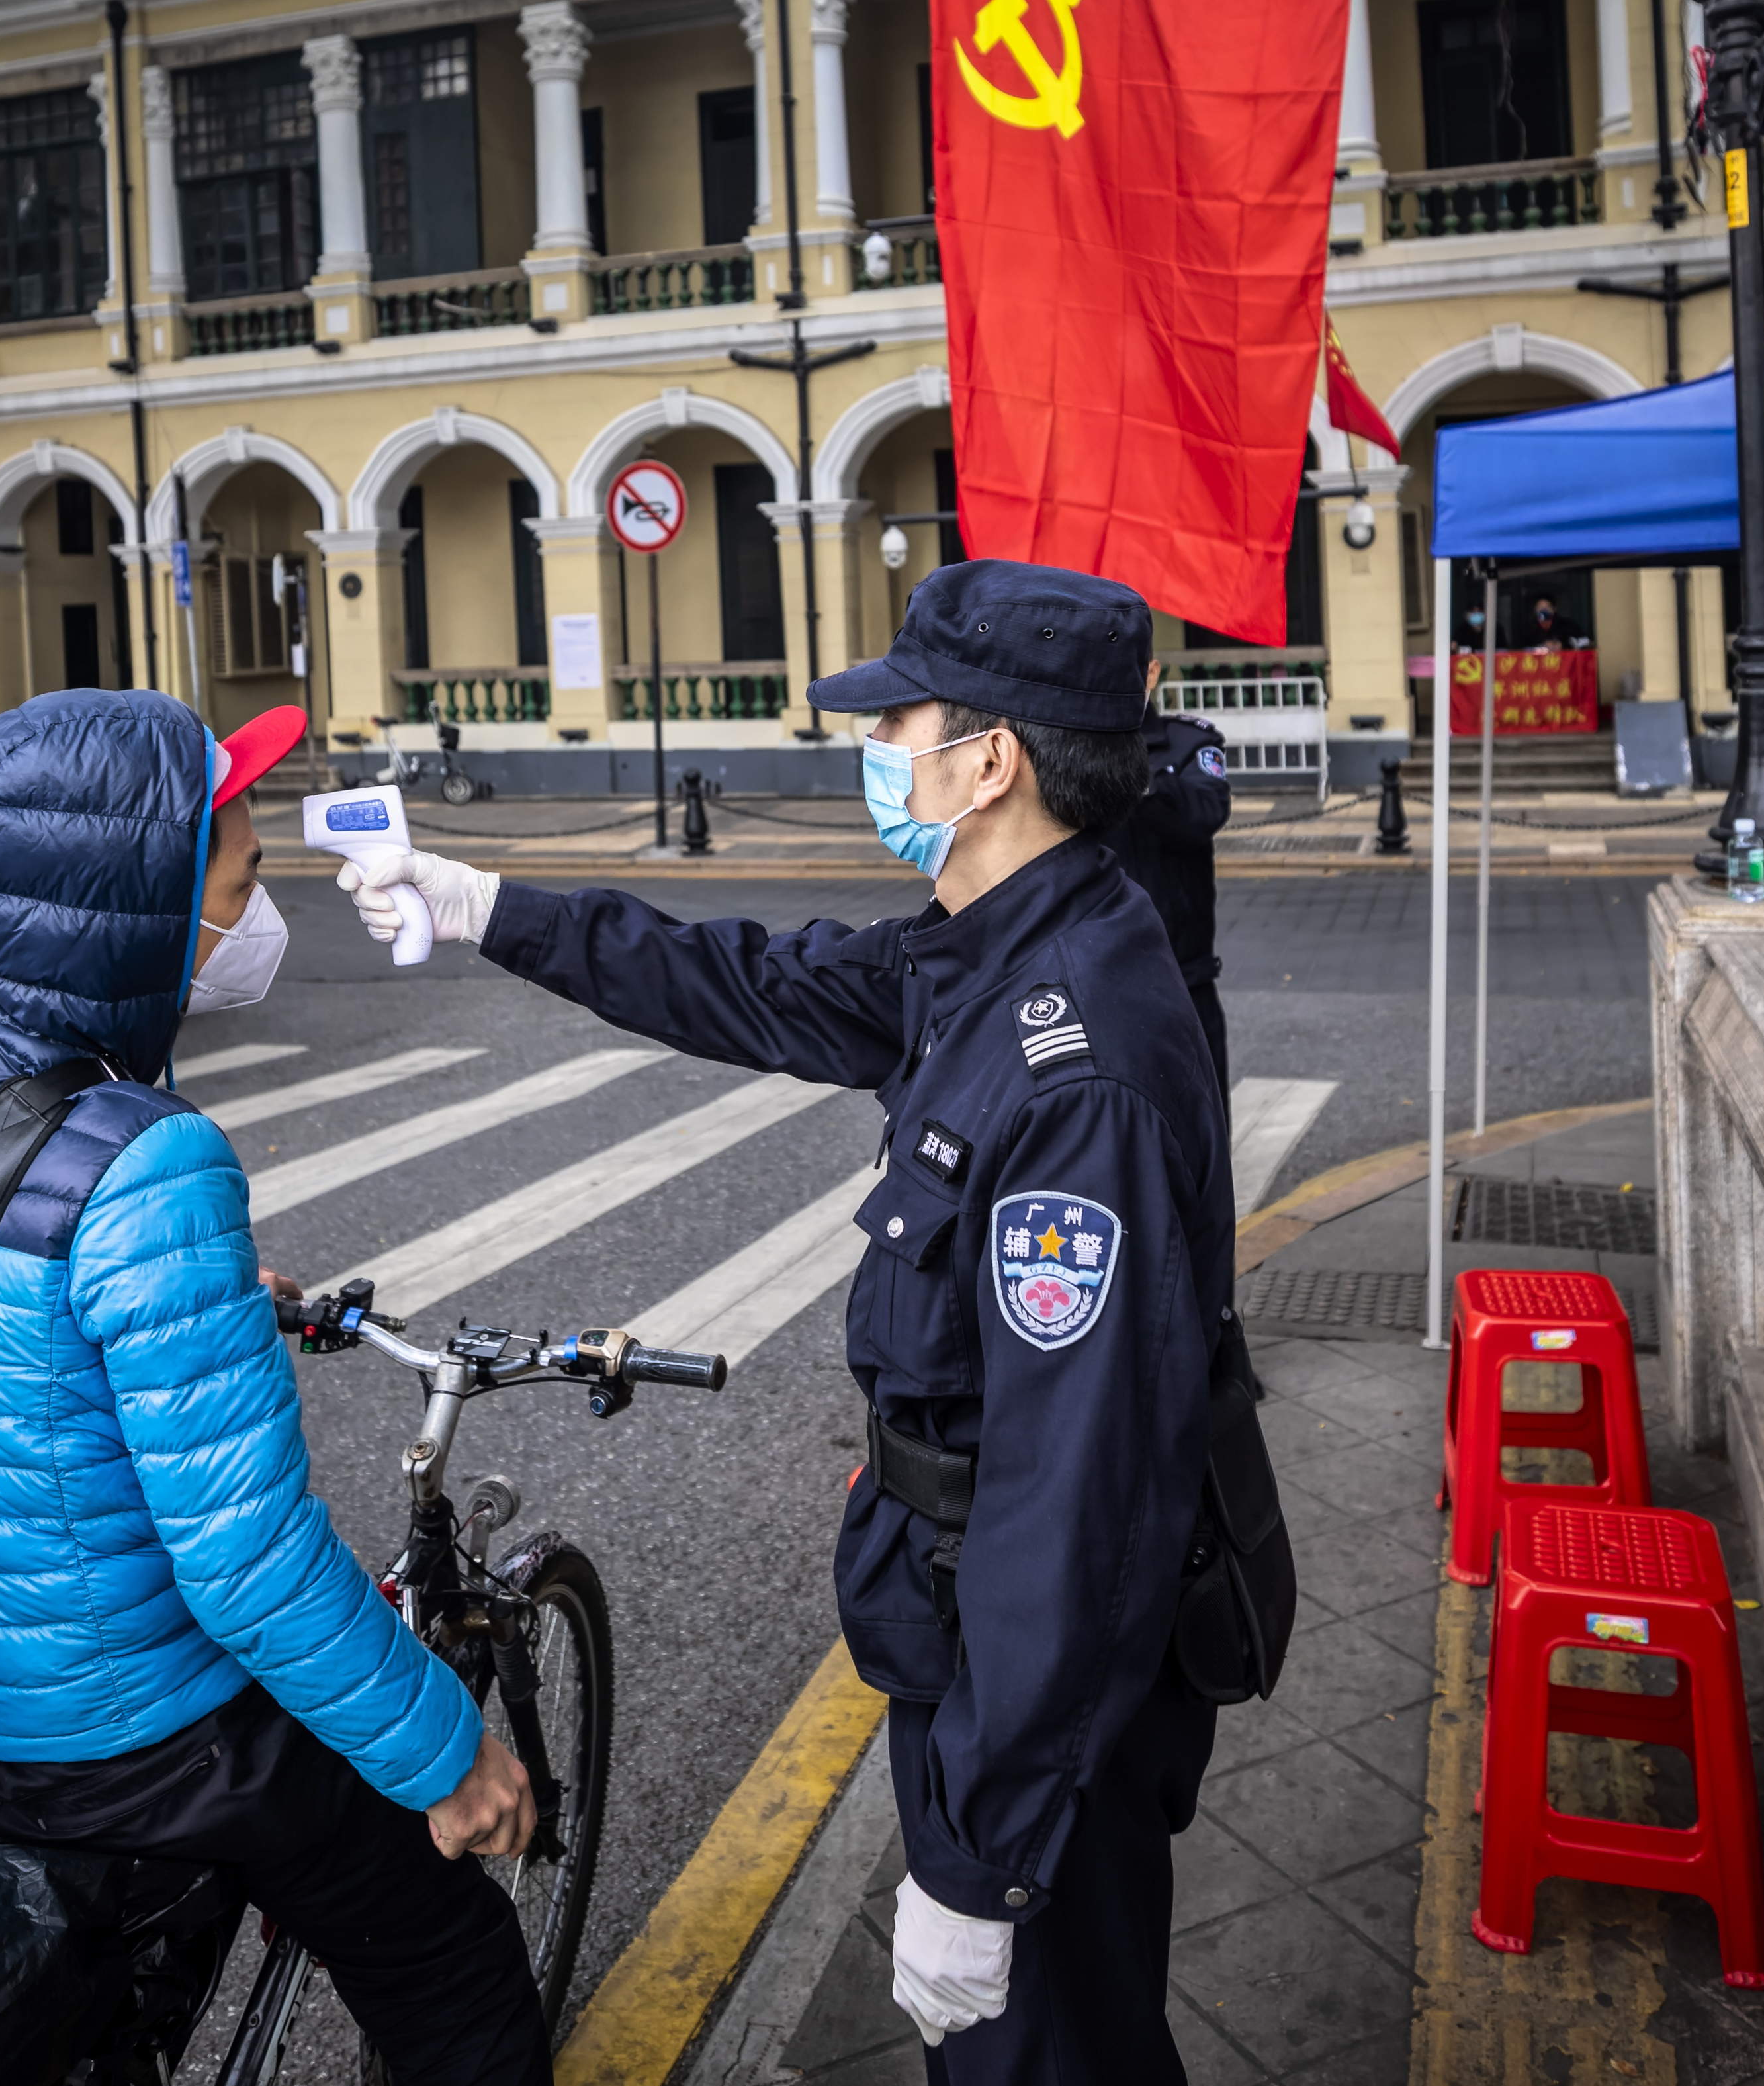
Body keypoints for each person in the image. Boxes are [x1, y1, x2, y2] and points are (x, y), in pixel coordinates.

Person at [339, 562, 1235, 2083]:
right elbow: (739, 978)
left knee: (1051, 2056)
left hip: (1032, 1686)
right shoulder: (996, 938)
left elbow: (1076, 1504)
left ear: (991, 757)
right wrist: (486, 903)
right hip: (963, 1630)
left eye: (903, 722)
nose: (878, 750)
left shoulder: (1070, 1049)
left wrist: (980, 1858)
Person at [0, 688, 549, 2086]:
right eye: (235, 878)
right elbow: (244, 1561)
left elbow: (13, 1340)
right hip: (133, 1727)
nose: (256, 906)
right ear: (136, 907)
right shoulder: (149, 1156)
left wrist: (221, 1299)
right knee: (459, 1963)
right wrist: (448, 1755)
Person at [1093, 660, 1233, 1097]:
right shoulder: (1069, 750)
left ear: (1151, 672)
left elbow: (1204, 814)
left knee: (1200, 1128)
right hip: (1098, 973)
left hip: (1183, 974)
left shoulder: (1189, 742)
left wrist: (1131, 774)